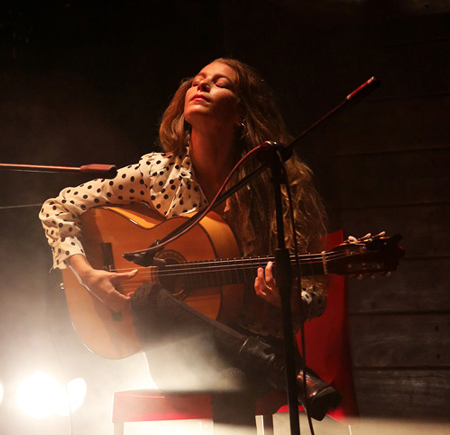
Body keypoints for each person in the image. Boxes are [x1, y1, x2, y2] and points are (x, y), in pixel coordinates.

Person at [40, 58, 341, 434]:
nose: (201, 86)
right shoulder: (156, 174)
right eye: (198, 81)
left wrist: (288, 299)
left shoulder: (273, 186)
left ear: (241, 113)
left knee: (232, 379)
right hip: (178, 350)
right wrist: (86, 275)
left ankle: (270, 363)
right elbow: (59, 207)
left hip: (254, 339)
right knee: (148, 296)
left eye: (219, 83)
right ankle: (283, 369)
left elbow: (314, 292)